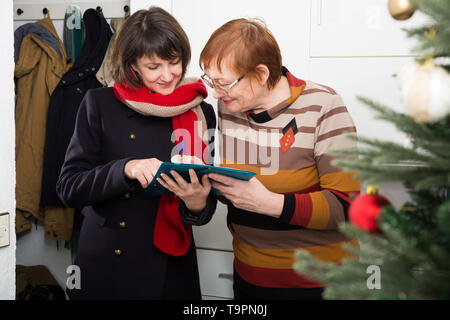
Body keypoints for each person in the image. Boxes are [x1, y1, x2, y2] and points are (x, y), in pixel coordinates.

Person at [184, 17, 361, 300]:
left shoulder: (324, 106)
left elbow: (345, 207)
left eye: (224, 82)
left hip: (321, 284)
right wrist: (201, 187)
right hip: (250, 279)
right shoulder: (229, 106)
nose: (215, 92)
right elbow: (240, 187)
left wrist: (269, 203)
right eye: (211, 81)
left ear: (261, 73)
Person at [56, 7, 216, 300]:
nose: (168, 75)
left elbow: (207, 205)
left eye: (174, 62)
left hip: (171, 265)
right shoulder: (98, 103)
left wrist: (197, 202)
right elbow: (69, 188)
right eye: (154, 66)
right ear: (133, 65)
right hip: (107, 262)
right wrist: (125, 168)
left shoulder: (200, 110)